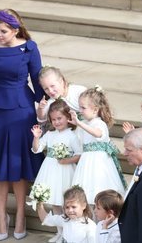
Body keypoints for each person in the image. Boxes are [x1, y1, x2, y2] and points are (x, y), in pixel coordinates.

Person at [0, 9, 45, 241]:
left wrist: (45, 111)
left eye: (4, 31)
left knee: (18, 165)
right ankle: (2, 218)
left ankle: (21, 215)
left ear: (16, 30)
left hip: (22, 111)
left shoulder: (29, 47)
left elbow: (38, 81)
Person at [30, 100, 81, 242]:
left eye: (60, 118)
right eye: (53, 120)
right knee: (55, 203)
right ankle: (59, 232)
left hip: (65, 171)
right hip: (50, 170)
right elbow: (36, 149)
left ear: (67, 117)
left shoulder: (72, 135)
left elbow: (78, 155)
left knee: (65, 202)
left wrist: (66, 160)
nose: (57, 122)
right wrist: (36, 137)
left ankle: (67, 234)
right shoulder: (50, 135)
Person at [70, 86, 127, 210]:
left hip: (98, 162)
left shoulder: (99, 123)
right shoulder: (84, 124)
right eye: (79, 107)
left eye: (83, 108)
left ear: (95, 110)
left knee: (99, 189)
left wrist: (79, 123)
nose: (80, 110)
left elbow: (98, 133)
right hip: (86, 161)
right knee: (85, 191)